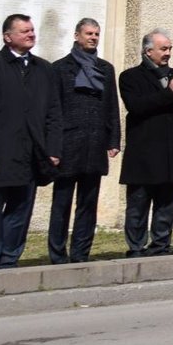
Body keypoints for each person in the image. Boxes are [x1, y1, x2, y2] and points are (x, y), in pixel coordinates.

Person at [0, 14, 62, 270]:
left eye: (32, 30)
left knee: (20, 211)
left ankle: (9, 260)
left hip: (30, 155)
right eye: (24, 31)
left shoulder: (44, 69)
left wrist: (52, 150)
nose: (31, 34)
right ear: (8, 37)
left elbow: (54, 113)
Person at [48, 18, 120, 263]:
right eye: (88, 33)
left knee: (88, 203)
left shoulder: (105, 68)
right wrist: (53, 146)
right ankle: (57, 254)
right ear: (76, 35)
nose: (93, 37)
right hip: (68, 144)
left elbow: (112, 106)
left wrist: (114, 140)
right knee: (62, 202)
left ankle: (80, 252)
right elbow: (53, 110)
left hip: (95, 143)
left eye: (97, 34)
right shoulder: (59, 68)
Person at [118, 31, 173, 256]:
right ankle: (135, 247)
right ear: (148, 50)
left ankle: (161, 245)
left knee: (166, 206)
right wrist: (170, 91)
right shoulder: (130, 77)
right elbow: (137, 106)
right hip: (144, 154)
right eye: (163, 49)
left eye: (170, 48)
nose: (168, 53)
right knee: (138, 205)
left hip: (172, 155)